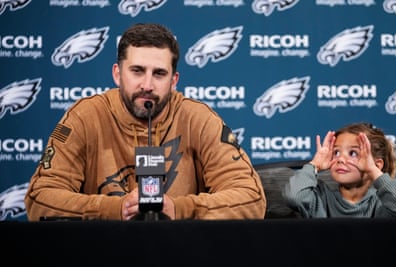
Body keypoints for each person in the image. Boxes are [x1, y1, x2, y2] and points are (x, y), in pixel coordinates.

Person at [24, 23, 266, 221]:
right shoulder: (83, 117)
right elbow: (40, 199)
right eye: (137, 71)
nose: (147, 85)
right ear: (117, 74)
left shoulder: (199, 119)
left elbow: (251, 198)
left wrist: (179, 209)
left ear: (174, 80)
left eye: (159, 73)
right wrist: (115, 209)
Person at [282, 122, 396, 218]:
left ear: (377, 164)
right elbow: (293, 197)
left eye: (353, 153)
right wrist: (314, 165)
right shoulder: (320, 197)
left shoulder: (383, 202)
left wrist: (372, 170)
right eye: (336, 152)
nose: (340, 159)